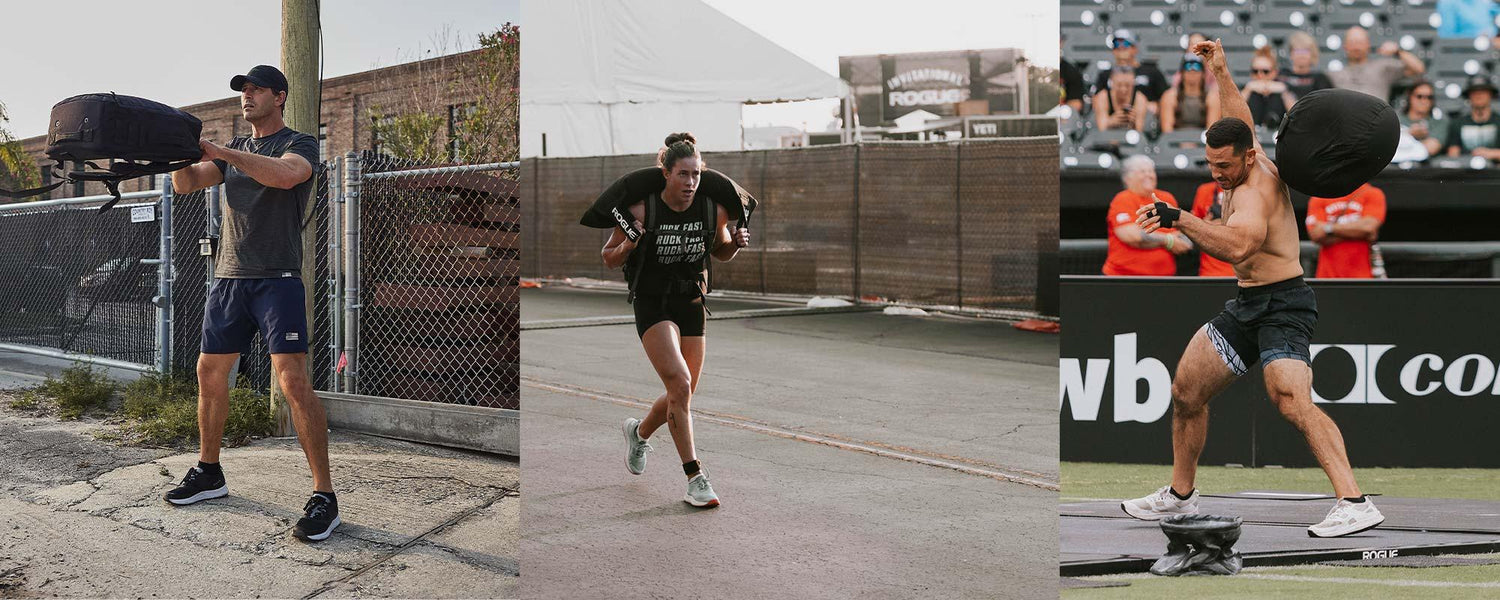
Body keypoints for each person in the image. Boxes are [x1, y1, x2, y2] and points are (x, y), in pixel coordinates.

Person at [1125, 39, 1383, 538]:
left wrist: (1181, 218)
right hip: (1247, 304)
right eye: (1210, 165)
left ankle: (1354, 502)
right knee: (1186, 393)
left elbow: (1240, 245)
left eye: (1224, 166)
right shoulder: (1248, 152)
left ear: (1247, 157)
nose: (1217, 174)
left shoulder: (1256, 189)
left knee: (1290, 398)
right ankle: (1181, 495)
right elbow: (1237, 115)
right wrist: (1220, 71)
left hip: (1284, 303)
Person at [164, 65, 339, 541]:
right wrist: (176, 150)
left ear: (279, 96)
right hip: (229, 279)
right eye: (243, 90)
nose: (247, 96)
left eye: (256, 89)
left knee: (293, 381)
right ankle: (209, 472)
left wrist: (223, 151)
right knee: (208, 372)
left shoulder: (299, 143)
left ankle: (324, 496)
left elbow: (286, 176)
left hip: (277, 280)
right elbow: (186, 183)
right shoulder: (233, 152)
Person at [604, 132, 751, 509]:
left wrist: (735, 243)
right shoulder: (642, 210)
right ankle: (695, 477)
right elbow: (608, 256)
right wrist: (629, 243)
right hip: (653, 302)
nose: (690, 182)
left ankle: (638, 433)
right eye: (683, 174)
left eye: (696, 174)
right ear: (666, 173)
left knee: (681, 393)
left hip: (691, 301)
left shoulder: (712, 211)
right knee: (680, 384)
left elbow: (719, 250)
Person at [1103, 155, 1192, 276]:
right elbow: (1133, 237)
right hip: (1125, 277)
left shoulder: (1166, 198)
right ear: (1128, 178)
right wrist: (1168, 240)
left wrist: (1158, 239)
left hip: (1165, 278)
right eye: (1143, 171)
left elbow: (1184, 239)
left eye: (1151, 171)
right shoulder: (1123, 199)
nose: (1149, 175)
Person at [1306, 183, 1386, 279]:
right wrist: (1359, 232)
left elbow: (1368, 227)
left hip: (1364, 276)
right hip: (1327, 276)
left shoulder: (1372, 193)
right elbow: (1316, 234)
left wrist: (1328, 228)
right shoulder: (1320, 197)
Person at [1328, 26, 1426, 103]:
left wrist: (1398, 52)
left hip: (1376, 119)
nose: (1356, 46)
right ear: (1345, 46)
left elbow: (1418, 68)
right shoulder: (1334, 75)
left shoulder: (1383, 67)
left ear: (1368, 45)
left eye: (1360, 42)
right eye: (1352, 42)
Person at [1092, 29, 1170, 103]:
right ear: (1113, 51)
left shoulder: (1152, 72)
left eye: (1125, 43)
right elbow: (1096, 100)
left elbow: (1166, 97)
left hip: (1145, 111)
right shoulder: (1105, 75)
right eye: (1116, 44)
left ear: (1135, 49)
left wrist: (1155, 106)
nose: (1120, 47)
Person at [1160, 53, 1220, 132]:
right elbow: (1167, 131)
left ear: (1203, 74)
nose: (1192, 71)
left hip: (1203, 138)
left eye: (1197, 67)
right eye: (1187, 67)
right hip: (1177, 138)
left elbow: (1212, 131)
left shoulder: (1211, 97)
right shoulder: (1170, 96)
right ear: (1182, 73)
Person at [1445, 75, 1500, 158]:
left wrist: (1490, 153)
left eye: (1483, 91)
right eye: (1474, 92)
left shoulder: (1498, 121)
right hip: (1465, 166)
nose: (1479, 95)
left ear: (1491, 95)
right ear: (1468, 96)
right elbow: (1453, 155)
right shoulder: (1457, 124)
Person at [1243, 47, 1297, 130]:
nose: (1260, 75)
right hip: (1251, 131)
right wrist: (1248, 89)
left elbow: (1296, 115)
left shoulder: (1283, 88)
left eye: (1265, 71)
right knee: (1254, 96)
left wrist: (1283, 91)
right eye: (1255, 71)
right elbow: (1233, 114)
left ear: (1275, 72)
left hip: (1278, 132)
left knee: (1275, 96)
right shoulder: (1248, 88)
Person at [1189, 181, 1235, 276]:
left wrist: (1216, 225)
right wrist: (1203, 224)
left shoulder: (1247, 191)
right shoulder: (1204, 190)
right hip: (1209, 271)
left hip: (1240, 271)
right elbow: (1191, 232)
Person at [1281, 32, 1335, 100]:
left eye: (1305, 51)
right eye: (1297, 51)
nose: (1301, 55)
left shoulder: (1320, 79)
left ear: (1313, 54)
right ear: (1291, 53)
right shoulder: (1281, 74)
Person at [1400, 81, 1449, 156]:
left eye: (1429, 97)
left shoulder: (1440, 123)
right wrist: (1409, 133)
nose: (1424, 101)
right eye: (1419, 96)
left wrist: (1403, 139)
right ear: (1410, 97)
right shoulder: (1395, 120)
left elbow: (1431, 148)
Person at [1094, 66, 1149, 131]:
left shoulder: (1140, 99)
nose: (1123, 89)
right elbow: (1101, 128)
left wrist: (1134, 123)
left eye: (1128, 85)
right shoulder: (1103, 97)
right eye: (1119, 85)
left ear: (1133, 84)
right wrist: (1111, 121)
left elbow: (1139, 130)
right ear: (1112, 83)